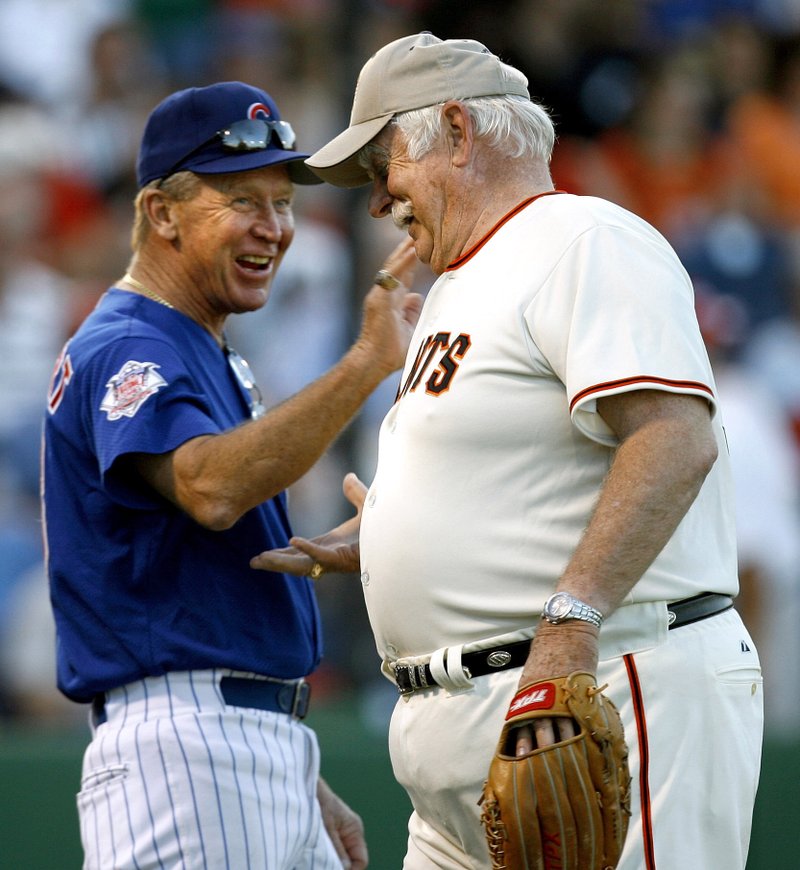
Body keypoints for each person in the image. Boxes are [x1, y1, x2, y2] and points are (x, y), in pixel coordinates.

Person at [251, 33, 764, 870]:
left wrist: (570, 625)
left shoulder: (583, 237)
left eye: (383, 165)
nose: (378, 201)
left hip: (609, 685)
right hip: (463, 726)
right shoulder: (459, 279)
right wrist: (391, 542)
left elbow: (674, 439)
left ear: (456, 130)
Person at [41, 80, 422, 869]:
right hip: (189, 755)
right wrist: (365, 363)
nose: (274, 227)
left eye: (282, 203)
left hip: (240, 742)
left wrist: (297, 768)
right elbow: (210, 489)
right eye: (243, 200)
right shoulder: (130, 345)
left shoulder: (192, 340)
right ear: (162, 213)